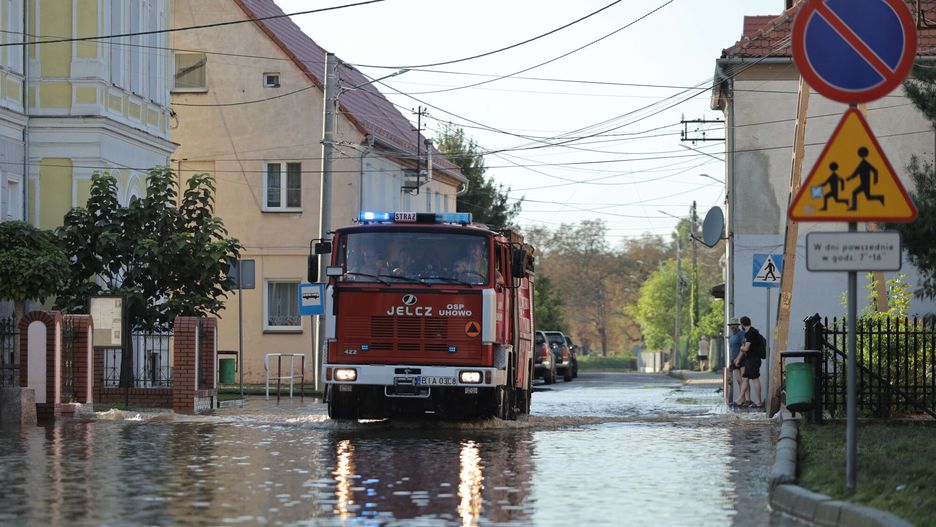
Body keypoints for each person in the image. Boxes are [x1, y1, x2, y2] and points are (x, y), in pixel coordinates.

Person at [736, 316, 765, 410]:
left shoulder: (750, 333)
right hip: (751, 359)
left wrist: (741, 348)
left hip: (753, 359)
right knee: (745, 379)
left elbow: (746, 348)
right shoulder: (753, 331)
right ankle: (740, 399)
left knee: (755, 379)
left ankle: (758, 402)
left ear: (742, 324)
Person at [727, 319, 746, 407]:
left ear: (737, 325)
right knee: (739, 381)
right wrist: (731, 359)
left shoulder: (741, 333)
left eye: (734, 325)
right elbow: (731, 348)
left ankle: (745, 399)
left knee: (744, 380)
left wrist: (738, 358)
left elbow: (743, 346)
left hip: (742, 359)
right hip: (734, 360)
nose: (732, 326)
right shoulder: (732, 336)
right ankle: (742, 398)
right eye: (731, 325)